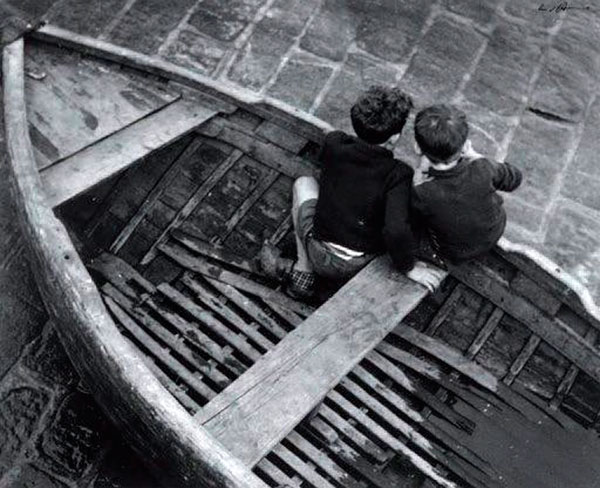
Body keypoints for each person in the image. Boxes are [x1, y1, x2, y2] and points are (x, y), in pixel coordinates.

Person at [259, 85, 444, 299]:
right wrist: (409, 268)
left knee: (304, 183)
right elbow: (396, 229)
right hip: (357, 264)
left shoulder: (334, 143)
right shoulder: (399, 174)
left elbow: (334, 140)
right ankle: (305, 272)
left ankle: (303, 270)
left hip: (319, 251)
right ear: (394, 138)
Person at [411, 104, 523, 264]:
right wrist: (476, 156)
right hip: (495, 230)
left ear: (417, 148)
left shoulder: (422, 192)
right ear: (464, 146)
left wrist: (418, 180)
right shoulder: (484, 167)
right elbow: (515, 178)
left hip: (455, 253)